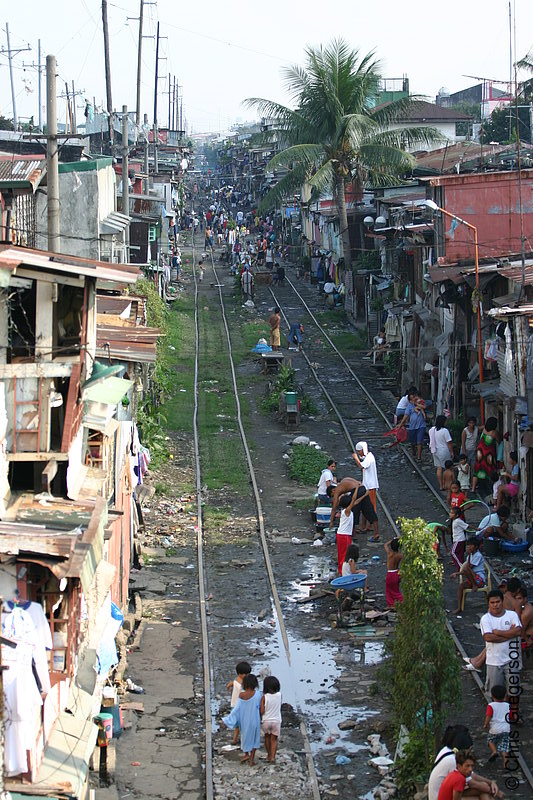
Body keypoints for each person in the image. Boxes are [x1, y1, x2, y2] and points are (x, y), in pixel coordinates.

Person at [428, 725, 502, 800]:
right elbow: (473, 783)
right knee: (483, 792)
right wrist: (493, 790)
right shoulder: (453, 761)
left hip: (446, 792)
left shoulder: (446, 750)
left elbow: (471, 775)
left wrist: (490, 782)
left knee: (483, 790)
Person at [480, 589, 521, 692]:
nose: (495, 605)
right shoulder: (485, 619)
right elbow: (488, 637)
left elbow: (518, 631)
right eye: (492, 602)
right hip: (494, 661)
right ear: (488, 604)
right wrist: (509, 634)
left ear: (502, 602)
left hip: (512, 660)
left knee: (514, 692)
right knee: (496, 694)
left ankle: (512, 709)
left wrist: (498, 632)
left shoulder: (512, 615)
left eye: (497, 602)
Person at [222, 673, 262, 766]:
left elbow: (236, 709)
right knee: (254, 739)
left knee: (245, 737)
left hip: (244, 721)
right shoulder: (258, 694)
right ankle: (251, 760)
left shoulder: (241, 695)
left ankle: (246, 754)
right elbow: (260, 707)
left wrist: (227, 720)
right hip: (255, 720)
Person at [450, 538, 486, 615]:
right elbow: (465, 571)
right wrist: (456, 574)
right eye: (468, 545)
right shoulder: (470, 556)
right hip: (472, 578)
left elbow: (468, 567)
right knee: (461, 586)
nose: (469, 547)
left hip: (479, 580)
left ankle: (474, 585)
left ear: (476, 547)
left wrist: (469, 555)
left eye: (471, 545)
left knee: (466, 568)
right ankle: (459, 607)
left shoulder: (478, 555)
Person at [352, 443, 379, 533]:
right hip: (367, 485)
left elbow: (361, 466)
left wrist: (356, 458)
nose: (359, 453)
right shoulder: (368, 457)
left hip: (370, 486)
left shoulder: (369, 458)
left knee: (370, 507)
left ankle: (370, 526)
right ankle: (364, 525)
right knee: (364, 506)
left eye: (359, 451)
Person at [225, 661, 252, 745]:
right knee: (237, 724)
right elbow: (234, 683)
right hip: (236, 704)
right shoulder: (239, 681)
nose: (246, 676)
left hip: (242, 705)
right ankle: (235, 738)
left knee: (242, 723)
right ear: (240, 674)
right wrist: (230, 685)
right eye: (245, 674)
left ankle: (242, 738)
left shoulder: (244, 682)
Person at [483, 684, 510, 767]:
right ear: (505, 695)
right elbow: (511, 716)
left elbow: (488, 716)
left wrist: (485, 724)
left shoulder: (491, 706)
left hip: (495, 729)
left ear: (492, 695)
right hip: (505, 729)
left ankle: (494, 751)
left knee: (490, 740)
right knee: (504, 746)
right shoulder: (508, 705)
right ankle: (505, 762)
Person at [472, 417, 499, 494]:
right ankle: (493, 488)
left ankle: (473, 488)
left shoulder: (484, 429)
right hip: (488, 454)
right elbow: (499, 441)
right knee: (490, 469)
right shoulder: (494, 433)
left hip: (480, 452)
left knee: (477, 469)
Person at [397, 391, 426, 463]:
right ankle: (414, 452)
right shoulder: (409, 407)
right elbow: (405, 417)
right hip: (412, 426)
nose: (414, 400)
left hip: (421, 425)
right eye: (412, 399)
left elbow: (424, 407)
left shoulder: (420, 403)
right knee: (413, 442)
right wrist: (400, 425)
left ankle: (419, 457)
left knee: (419, 442)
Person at [429, 415, 455, 490]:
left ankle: (441, 485)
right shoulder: (445, 431)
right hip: (444, 451)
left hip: (435, 451)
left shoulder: (433, 429)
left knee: (439, 468)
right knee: (448, 469)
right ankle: (448, 484)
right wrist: (452, 452)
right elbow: (449, 443)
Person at [260, 675, 282, 764]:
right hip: (276, 721)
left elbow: (261, 711)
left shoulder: (264, 697)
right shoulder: (279, 695)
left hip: (266, 720)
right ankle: (273, 757)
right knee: (274, 739)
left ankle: (268, 755)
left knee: (267, 738)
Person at [336, 494, 354, 575]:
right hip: (345, 535)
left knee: (341, 553)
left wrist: (364, 495)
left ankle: (341, 570)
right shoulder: (347, 511)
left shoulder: (344, 511)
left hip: (340, 534)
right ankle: (344, 572)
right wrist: (357, 488)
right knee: (346, 554)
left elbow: (355, 501)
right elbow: (354, 500)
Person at [384, 538, 403, 607]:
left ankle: (391, 604)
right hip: (396, 573)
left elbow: (385, 545)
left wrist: (392, 540)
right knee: (396, 589)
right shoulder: (400, 555)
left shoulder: (390, 554)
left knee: (388, 590)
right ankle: (400, 600)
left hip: (390, 574)